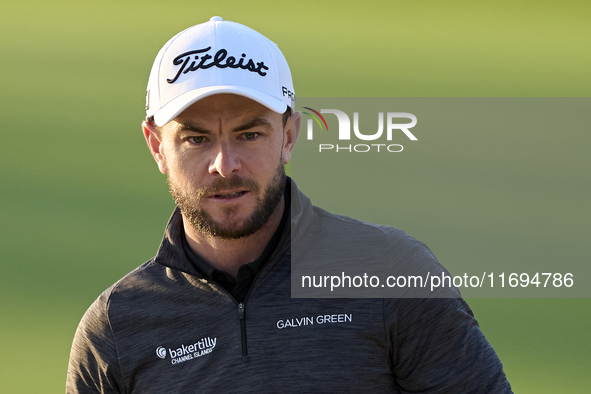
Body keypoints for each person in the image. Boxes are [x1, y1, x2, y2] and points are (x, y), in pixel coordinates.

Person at [67, 16, 512, 393]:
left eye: (249, 134)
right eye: (196, 138)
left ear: (289, 136)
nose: (225, 165)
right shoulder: (115, 329)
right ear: (157, 147)